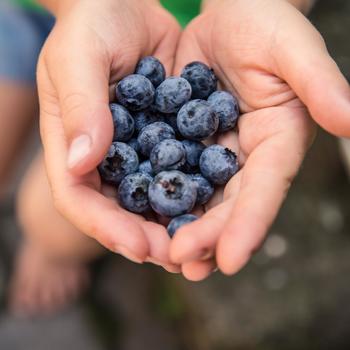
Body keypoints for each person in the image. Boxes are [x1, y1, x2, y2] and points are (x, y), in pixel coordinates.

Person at [6, 0, 350, 314]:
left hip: (173, 27)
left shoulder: (179, 142)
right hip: (37, 13)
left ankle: (49, 249)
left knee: (50, 222)